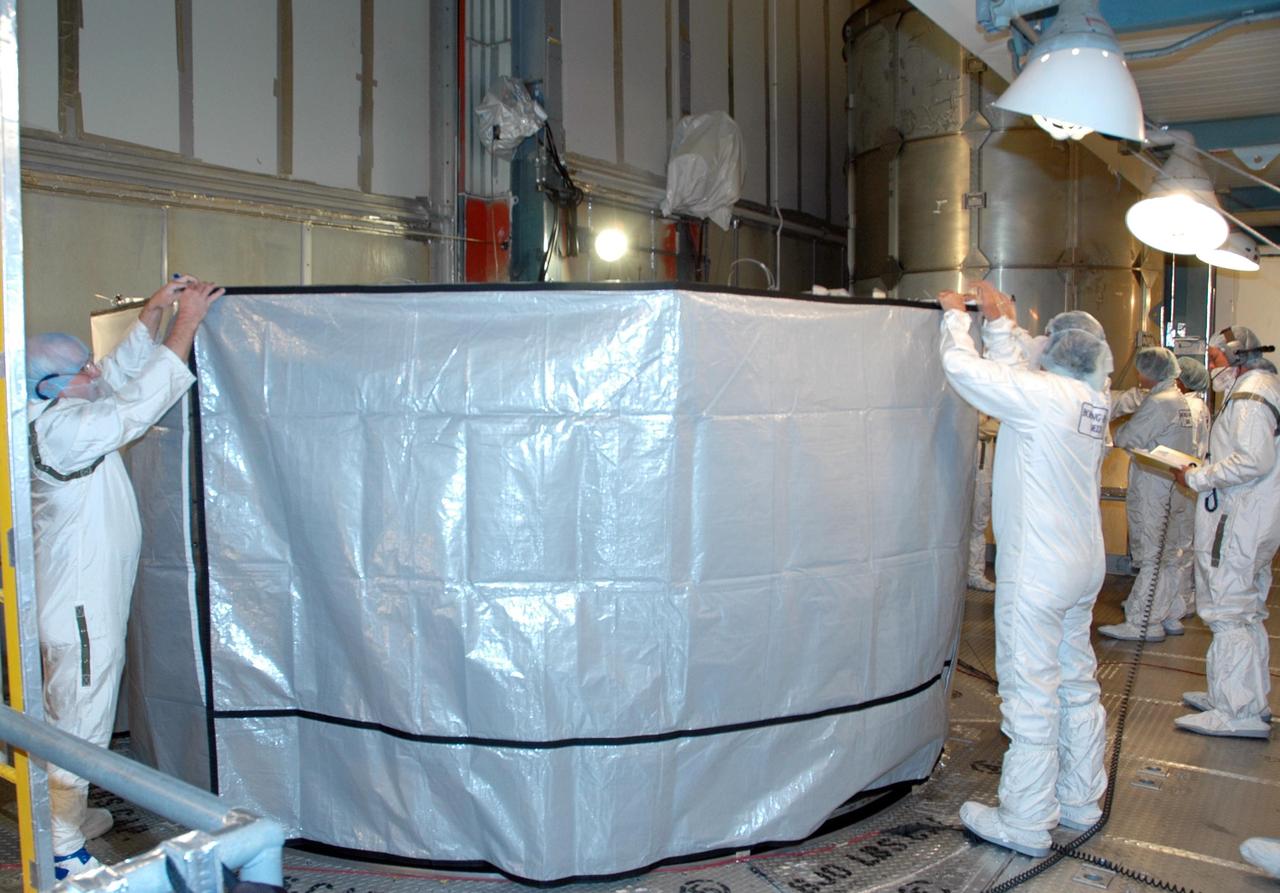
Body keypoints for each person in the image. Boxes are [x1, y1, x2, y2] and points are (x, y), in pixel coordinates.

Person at [28, 276, 224, 879]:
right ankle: (63, 851)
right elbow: (136, 405)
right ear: (51, 386)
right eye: (79, 368)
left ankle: (61, 815)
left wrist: (152, 315)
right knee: (81, 724)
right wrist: (187, 322)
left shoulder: (55, 407)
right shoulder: (61, 432)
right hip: (81, 612)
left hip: (73, 601)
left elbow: (110, 379)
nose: (93, 369)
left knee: (67, 714)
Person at [939, 283, 1113, 858]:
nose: (1036, 342)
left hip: (1038, 569)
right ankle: (1081, 798)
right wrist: (1001, 324)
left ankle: (1025, 819)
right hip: (1083, 566)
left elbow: (965, 371)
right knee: (1077, 681)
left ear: (1057, 350)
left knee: (1030, 691)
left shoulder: (1041, 397)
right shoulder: (1092, 401)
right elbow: (1018, 378)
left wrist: (956, 321)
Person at [1172, 325, 1279, 739]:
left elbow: (1252, 460)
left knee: (1228, 609)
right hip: (1255, 518)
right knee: (1245, 610)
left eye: (1215, 358)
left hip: (1240, 519)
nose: (1210, 366)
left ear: (1236, 357)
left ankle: (1236, 711)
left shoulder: (1250, 397)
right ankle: (1241, 697)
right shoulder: (1263, 388)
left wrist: (1198, 477)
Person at [1099, 347, 1196, 642]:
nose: (1138, 375)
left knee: (1152, 555)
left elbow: (1128, 437)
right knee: (1168, 556)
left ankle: (1143, 622)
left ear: (1152, 372)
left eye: (1141, 370)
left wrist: (1119, 429)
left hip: (1155, 487)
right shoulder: (1179, 400)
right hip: (1173, 487)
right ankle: (1164, 614)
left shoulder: (1159, 402)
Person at [1167, 357, 1211, 624]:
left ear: (1182, 381)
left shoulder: (1189, 409)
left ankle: (1177, 605)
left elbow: (1187, 447)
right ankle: (1183, 600)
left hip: (1187, 480)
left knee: (1179, 547)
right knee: (1186, 545)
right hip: (1193, 481)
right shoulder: (1200, 406)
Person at [968, 413, 999, 591]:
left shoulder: (994, 400)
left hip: (982, 466)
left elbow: (998, 423)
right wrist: (980, 422)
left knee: (978, 521)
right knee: (952, 522)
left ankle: (974, 573)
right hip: (957, 463)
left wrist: (973, 429)